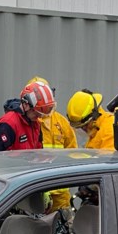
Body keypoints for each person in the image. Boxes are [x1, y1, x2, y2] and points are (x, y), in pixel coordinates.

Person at [29, 76, 78, 212]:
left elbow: (73, 154)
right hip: (34, 192)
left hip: (60, 195)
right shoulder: (26, 123)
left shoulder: (62, 123)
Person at [0, 80, 53, 151]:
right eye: (36, 112)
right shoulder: (7, 124)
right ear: (26, 105)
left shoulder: (35, 123)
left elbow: (38, 152)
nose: (39, 116)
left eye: (41, 113)